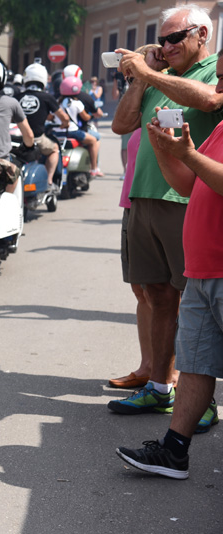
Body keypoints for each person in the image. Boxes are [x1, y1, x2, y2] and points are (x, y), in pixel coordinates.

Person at [109, 4, 223, 426]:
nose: (167, 46)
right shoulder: (161, 75)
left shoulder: (214, 71)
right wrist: (141, 78)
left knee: (198, 307)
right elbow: (122, 125)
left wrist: (153, 72)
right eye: (163, 39)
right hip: (146, 198)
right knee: (157, 297)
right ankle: (159, 387)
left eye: (177, 38)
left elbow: (211, 102)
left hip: (190, 201)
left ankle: (203, 400)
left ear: (202, 37)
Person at [110, 128, 153, 389]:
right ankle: (147, 367)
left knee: (167, 295)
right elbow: (118, 124)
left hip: (163, 205)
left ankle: (175, 373)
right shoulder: (138, 108)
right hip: (132, 204)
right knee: (141, 290)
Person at [16, 62, 70, 188]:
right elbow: (64, 117)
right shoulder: (46, 97)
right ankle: (48, 181)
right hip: (37, 138)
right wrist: (64, 124)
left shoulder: (17, 96)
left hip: (17, 139)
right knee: (54, 149)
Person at [53, 76, 100, 176]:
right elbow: (85, 117)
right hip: (73, 132)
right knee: (93, 141)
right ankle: (94, 168)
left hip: (57, 132)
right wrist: (90, 116)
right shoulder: (77, 103)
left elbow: (50, 117)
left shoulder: (57, 102)